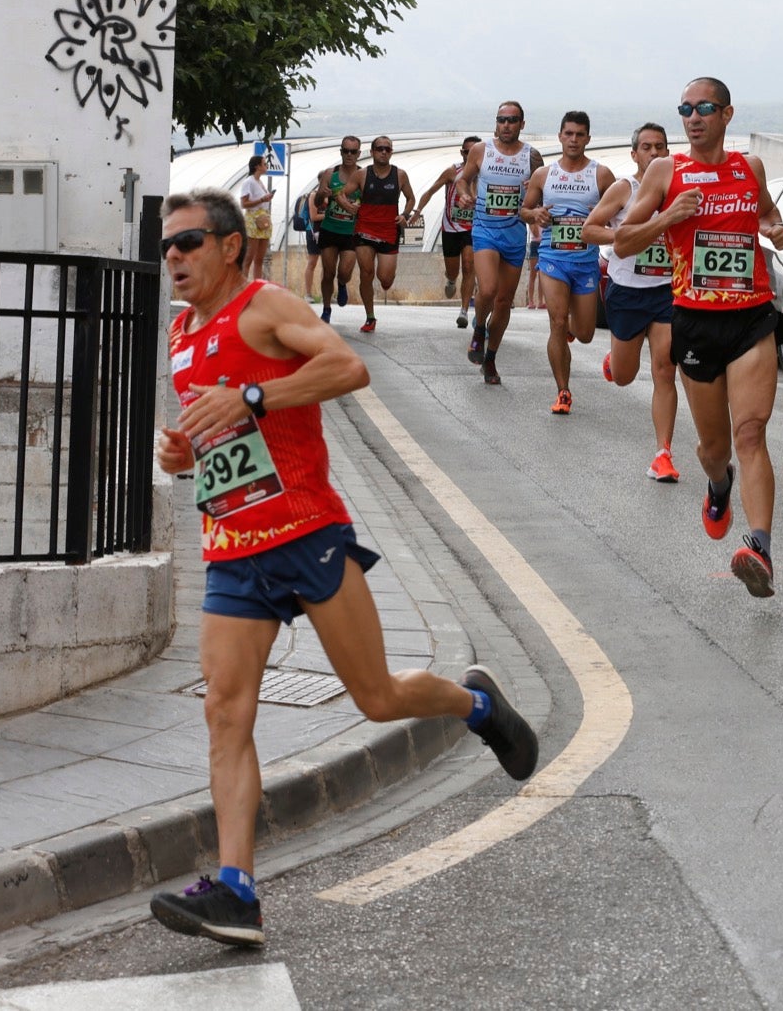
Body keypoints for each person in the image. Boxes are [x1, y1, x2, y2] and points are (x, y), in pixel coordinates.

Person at [148, 187, 539, 948]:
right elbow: (214, 434)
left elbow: (347, 367)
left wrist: (253, 395)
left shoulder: (264, 306)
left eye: (188, 242)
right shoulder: (179, 333)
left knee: (380, 697)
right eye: (166, 244)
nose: (173, 256)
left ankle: (478, 706)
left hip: (305, 530)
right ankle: (237, 892)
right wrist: (182, 452)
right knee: (225, 712)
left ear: (230, 247)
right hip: (232, 547)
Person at [615, 77, 783, 598]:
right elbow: (624, 240)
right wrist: (669, 216)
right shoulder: (664, 172)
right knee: (715, 449)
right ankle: (719, 484)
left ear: (727, 115)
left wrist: (775, 228)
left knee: (751, 433)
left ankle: (759, 547)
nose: (692, 117)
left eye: (704, 108)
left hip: (750, 316)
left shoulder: (747, 168)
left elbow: (766, 214)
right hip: (693, 321)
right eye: (685, 109)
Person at [583, 121, 680, 478]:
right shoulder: (625, 189)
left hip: (667, 290)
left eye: (660, 147)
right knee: (624, 377)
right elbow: (588, 230)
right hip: (627, 291)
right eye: (647, 147)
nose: (654, 153)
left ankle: (663, 454)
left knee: (665, 369)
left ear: (668, 152)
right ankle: (615, 361)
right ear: (634, 154)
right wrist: (629, 235)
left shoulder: (676, 188)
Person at [522, 111, 615, 416]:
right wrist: (536, 215)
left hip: (585, 260)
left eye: (580, 134)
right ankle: (563, 391)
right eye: (568, 134)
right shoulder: (544, 175)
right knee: (557, 323)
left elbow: (619, 213)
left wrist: (600, 220)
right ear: (560, 136)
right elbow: (524, 210)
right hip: (552, 258)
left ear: (588, 138)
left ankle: (573, 330)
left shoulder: (601, 175)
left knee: (585, 333)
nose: (573, 140)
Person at [456, 101, 544, 385]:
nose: (506, 125)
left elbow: (540, 194)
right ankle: (479, 327)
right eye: (501, 120)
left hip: (515, 235)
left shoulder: (532, 156)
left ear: (522, 124)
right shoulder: (482, 150)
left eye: (512, 120)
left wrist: (535, 193)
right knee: (489, 288)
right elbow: (462, 179)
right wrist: (465, 193)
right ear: (496, 123)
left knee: (505, 302)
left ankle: (491, 357)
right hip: (485, 231)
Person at [344, 135, 414, 333]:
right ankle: (370, 317)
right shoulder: (362, 175)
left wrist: (405, 215)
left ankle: (385, 281)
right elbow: (342, 193)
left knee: (385, 278)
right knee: (367, 273)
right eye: (380, 148)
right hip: (364, 230)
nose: (384, 152)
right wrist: (348, 207)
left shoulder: (400, 175)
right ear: (372, 152)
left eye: (388, 149)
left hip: (388, 231)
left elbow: (411, 198)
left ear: (391, 152)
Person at [410, 135, 480, 328]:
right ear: (462, 153)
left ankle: (464, 311)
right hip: (451, 228)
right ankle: (450, 280)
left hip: (473, 229)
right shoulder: (452, 171)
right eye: (467, 151)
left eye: (475, 151)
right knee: (453, 270)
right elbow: (430, 191)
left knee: (468, 266)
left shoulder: (484, 173)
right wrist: (417, 211)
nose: (470, 155)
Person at [314, 137, 363, 324]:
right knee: (328, 272)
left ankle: (342, 284)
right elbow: (318, 203)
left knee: (344, 271)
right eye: (346, 151)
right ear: (341, 152)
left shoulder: (362, 175)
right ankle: (326, 309)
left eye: (353, 152)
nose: (349, 155)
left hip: (351, 231)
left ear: (359, 154)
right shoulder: (330, 174)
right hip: (330, 228)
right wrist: (321, 194)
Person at [238, 155, 274, 276]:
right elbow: (244, 203)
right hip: (253, 219)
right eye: (264, 164)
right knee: (249, 257)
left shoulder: (259, 182)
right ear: (257, 166)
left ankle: (257, 287)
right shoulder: (249, 182)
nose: (266, 166)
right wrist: (262, 200)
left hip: (263, 219)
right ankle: (243, 286)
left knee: (259, 258)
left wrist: (266, 198)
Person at [295, 188, 323, 303]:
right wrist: (330, 215)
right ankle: (308, 294)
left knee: (327, 264)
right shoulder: (314, 195)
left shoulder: (331, 195)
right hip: (313, 232)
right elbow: (313, 216)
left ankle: (325, 294)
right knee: (312, 262)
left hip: (327, 231)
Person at [523, 222, 543, 309]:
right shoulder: (533, 217)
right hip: (535, 244)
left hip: (543, 243)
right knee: (533, 274)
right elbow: (535, 233)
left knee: (542, 275)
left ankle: (540, 301)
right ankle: (531, 301)